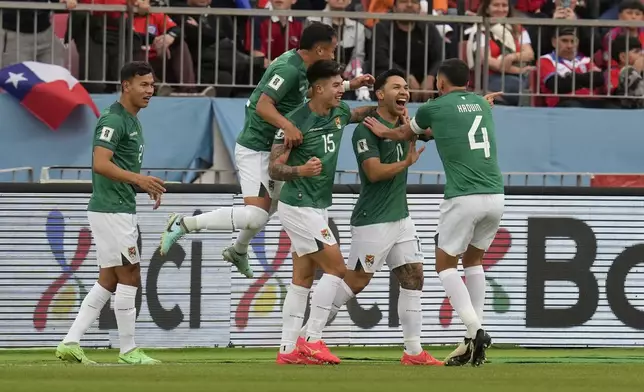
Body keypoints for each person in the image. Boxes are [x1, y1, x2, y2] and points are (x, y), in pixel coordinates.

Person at [159, 22, 374, 278]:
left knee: (274, 208)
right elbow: (263, 105)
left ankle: (238, 250)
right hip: (256, 148)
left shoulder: (301, 65)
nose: (333, 56)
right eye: (332, 50)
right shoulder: (288, 68)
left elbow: (311, 91)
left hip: (272, 147)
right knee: (257, 216)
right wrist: (287, 125)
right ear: (318, 50)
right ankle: (183, 224)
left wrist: (349, 85)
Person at [363, 58, 504, 367]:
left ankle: (475, 329)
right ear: (467, 81)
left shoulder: (434, 107)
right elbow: (448, 124)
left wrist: (383, 132)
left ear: (440, 83)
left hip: (464, 197)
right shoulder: (481, 106)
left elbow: (406, 134)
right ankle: (471, 339)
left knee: (445, 266)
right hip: (496, 196)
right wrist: (482, 100)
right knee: (474, 261)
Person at [299, 69, 443, 366]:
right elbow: (374, 173)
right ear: (380, 94)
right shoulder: (367, 129)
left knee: (414, 277)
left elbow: (434, 130)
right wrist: (406, 162)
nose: (404, 91)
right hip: (373, 218)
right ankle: (307, 337)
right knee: (356, 281)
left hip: (400, 217)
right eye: (395, 87)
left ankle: (413, 351)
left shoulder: (406, 124)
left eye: (406, 87)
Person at [55, 61, 167, 365]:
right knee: (130, 275)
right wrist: (139, 179)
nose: (149, 90)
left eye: (152, 84)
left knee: (108, 279)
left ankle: (70, 341)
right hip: (112, 210)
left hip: (116, 207)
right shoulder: (114, 120)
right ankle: (128, 350)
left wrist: (141, 185)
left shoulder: (132, 120)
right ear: (126, 85)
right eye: (143, 84)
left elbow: (118, 167)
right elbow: (100, 163)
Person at [268, 60, 378, 365]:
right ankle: (313, 339)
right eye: (335, 85)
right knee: (337, 268)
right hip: (299, 204)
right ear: (317, 89)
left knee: (302, 277)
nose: (340, 89)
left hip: (316, 204)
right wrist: (300, 170)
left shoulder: (339, 112)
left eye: (341, 83)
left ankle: (288, 350)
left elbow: (357, 114)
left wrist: (381, 103)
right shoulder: (294, 121)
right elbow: (274, 168)